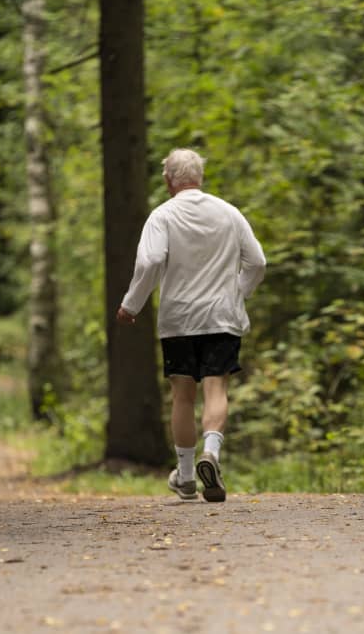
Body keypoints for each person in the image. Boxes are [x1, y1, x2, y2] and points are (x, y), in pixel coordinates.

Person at [116, 148, 266, 502]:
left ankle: (185, 477)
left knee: (182, 395)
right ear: (200, 178)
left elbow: (151, 259)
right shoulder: (229, 214)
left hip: (179, 319)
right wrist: (237, 292)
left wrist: (130, 304)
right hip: (221, 317)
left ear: (168, 180)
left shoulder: (162, 215)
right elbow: (257, 262)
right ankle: (211, 453)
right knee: (217, 389)